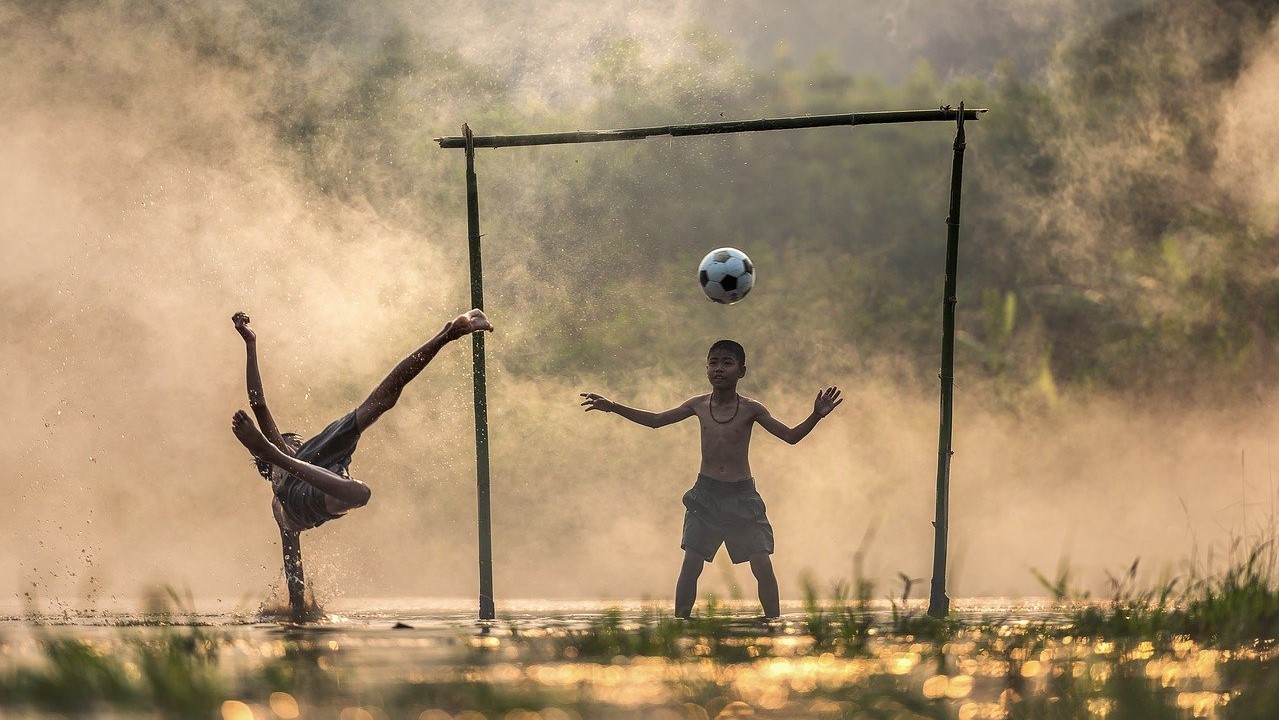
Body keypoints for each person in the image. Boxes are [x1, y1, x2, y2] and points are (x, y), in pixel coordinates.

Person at [230, 308, 493, 618]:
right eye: (292, 443)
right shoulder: (281, 490)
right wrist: (250, 344)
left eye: (294, 444)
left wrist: (251, 343)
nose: (297, 443)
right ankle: (447, 334)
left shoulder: (302, 458)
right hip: (300, 490)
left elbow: (259, 404)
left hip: (316, 468)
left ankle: (449, 333)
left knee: (379, 407)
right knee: (359, 479)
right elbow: (258, 403)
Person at [580, 339, 842, 620]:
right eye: (713, 363)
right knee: (691, 563)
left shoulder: (752, 409)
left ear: (741, 371)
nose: (719, 368)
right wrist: (613, 407)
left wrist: (816, 415)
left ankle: (773, 624)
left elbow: (790, 436)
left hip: (742, 497)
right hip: (705, 496)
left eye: (727, 363)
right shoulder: (698, 405)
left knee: (761, 563)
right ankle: (680, 625)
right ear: (706, 369)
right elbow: (656, 420)